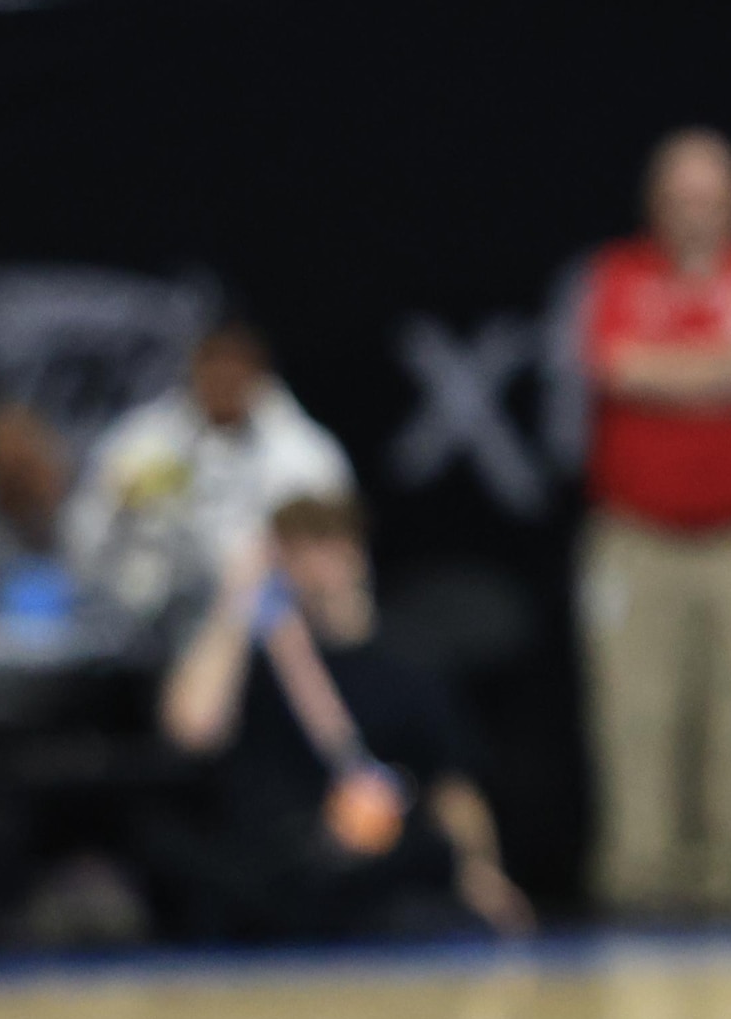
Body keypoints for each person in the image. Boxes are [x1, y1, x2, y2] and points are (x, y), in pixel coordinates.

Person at [573, 128, 731, 922]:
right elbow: (617, 365)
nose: (695, 211)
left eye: (710, 196)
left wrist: (672, 372)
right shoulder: (621, 274)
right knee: (635, 712)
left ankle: (728, 883)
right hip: (636, 537)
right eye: (681, 196)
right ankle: (638, 882)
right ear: (655, 203)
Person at [145, 493, 530, 947]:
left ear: (356, 549)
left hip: (382, 885)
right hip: (277, 888)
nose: (317, 563)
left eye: (328, 542)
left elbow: (453, 789)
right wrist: (237, 600)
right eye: (297, 548)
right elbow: (192, 729)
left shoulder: (410, 662)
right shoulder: (252, 660)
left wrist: (481, 872)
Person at [66, 316, 358, 628]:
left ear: (258, 375)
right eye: (213, 366)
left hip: (272, 621)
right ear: (194, 369)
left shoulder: (306, 455)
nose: (223, 380)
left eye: (235, 368)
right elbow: (80, 536)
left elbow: (337, 559)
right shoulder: (142, 443)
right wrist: (123, 507)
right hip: (145, 619)